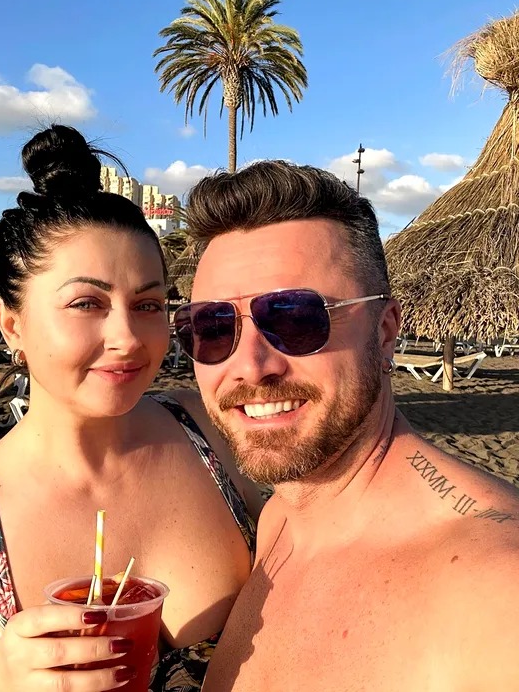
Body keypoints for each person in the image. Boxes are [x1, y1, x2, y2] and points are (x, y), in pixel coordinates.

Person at [171, 160, 519, 692]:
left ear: (384, 332)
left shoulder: (496, 592)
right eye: (213, 327)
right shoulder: (278, 522)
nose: (250, 367)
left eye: (295, 317)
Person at [0, 125, 262, 692]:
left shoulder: (211, 430)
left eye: (147, 304)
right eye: (86, 303)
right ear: (11, 324)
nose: (127, 338)